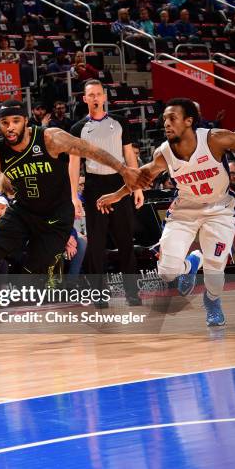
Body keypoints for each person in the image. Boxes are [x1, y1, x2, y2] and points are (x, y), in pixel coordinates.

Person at [0, 99, 150, 347]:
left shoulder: (50, 138)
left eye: (16, 121)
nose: (10, 127)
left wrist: (123, 168)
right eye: (5, 122)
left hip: (56, 218)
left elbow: (89, 149)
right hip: (22, 212)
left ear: (26, 122)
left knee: (28, 275)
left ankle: (39, 276)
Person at [98, 98, 235, 327]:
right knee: (167, 271)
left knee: (215, 275)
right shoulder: (164, 152)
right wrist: (116, 195)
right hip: (185, 209)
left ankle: (212, 300)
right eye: (164, 119)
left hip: (219, 210)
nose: (166, 123)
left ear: (189, 121)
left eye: (172, 118)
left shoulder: (215, 139)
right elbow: (143, 175)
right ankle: (191, 264)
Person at [70, 80, 143, 305]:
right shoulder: (78, 128)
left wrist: (137, 185)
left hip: (120, 185)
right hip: (93, 187)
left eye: (98, 94)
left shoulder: (120, 123)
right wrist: (74, 196)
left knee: (125, 241)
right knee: (97, 244)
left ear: (104, 97)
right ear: (84, 99)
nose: (95, 98)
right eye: (90, 95)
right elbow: (74, 164)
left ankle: (132, 293)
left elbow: (129, 157)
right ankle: (100, 295)